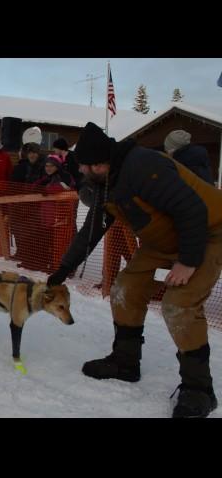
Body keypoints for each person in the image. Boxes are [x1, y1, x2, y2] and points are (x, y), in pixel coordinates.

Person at [47, 121, 222, 418]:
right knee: (124, 291)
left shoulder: (144, 168)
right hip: (162, 240)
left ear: (99, 164)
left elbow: (192, 210)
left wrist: (188, 261)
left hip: (206, 233)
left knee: (179, 305)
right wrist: (64, 268)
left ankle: (199, 389)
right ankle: (125, 362)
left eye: (85, 168)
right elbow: (93, 228)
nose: (82, 174)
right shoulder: (106, 183)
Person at [26, 154, 75, 272]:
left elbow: (67, 189)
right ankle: (47, 264)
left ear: (57, 166)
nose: (48, 168)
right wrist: (41, 189)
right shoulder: (46, 178)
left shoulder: (65, 176)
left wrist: (46, 190)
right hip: (47, 216)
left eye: (51, 166)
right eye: (46, 166)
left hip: (60, 217)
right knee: (47, 242)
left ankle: (63, 268)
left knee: (61, 244)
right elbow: (34, 187)